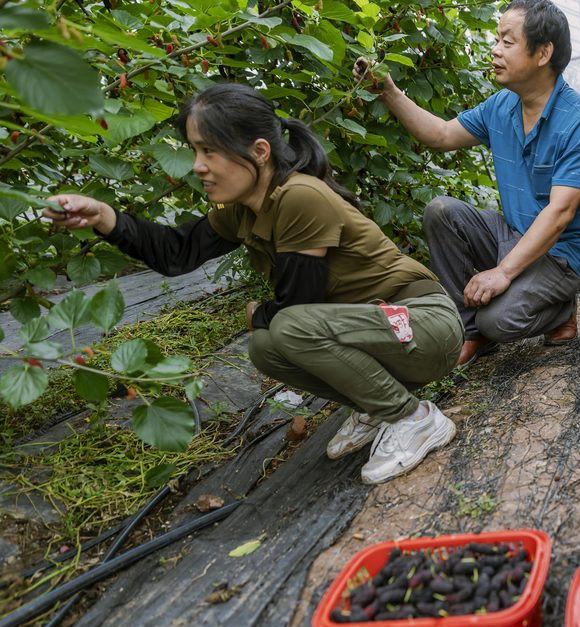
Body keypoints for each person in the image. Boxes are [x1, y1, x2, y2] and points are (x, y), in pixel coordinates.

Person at [42, 84, 464, 485]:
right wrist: (103, 217)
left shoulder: (300, 197)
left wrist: (257, 313)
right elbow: (176, 252)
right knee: (266, 348)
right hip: (378, 329)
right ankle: (377, 408)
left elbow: (300, 304)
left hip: (424, 325)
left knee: (284, 328)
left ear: (259, 152)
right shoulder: (242, 209)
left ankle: (413, 418)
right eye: (194, 150)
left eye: (209, 150)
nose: (197, 166)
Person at [354, 0, 580, 367]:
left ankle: (559, 309)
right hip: (516, 234)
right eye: (497, 39)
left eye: (507, 41)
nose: (495, 50)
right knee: (441, 211)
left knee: (500, 319)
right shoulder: (501, 106)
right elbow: (441, 135)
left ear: (543, 53)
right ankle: (472, 331)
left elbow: (559, 214)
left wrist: (502, 273)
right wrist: (389, 92)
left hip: (561, 256)